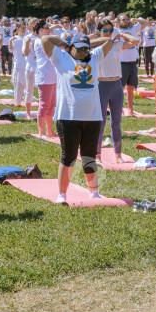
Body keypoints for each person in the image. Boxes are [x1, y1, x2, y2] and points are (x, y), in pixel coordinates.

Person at [40, 32, 114, 204]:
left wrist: (88, 42)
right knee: (69, 157)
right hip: (68, 117)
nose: (83, 52)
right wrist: (66, 44)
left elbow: (109, 40)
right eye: (79, 49)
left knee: (90, 155)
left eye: (85, 49)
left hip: (92, 116)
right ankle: (62, 195)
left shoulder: (94, 57)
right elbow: (45, 39)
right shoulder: (61, 58)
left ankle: (94, 193)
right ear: (71, 48)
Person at [94, 18, 139, 164]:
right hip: (101, 85)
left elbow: (135, 41)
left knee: (116, 123)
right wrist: (97, 37)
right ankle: (97, 155)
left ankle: (118, 154)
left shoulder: (117, 44)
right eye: (104, 30)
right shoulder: (95, 47)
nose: (108, 33)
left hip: (116, 85)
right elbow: (81, 41)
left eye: (110, 30)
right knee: (100, 124)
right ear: (99, 31)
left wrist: (121, 34)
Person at [31, 20, 57, 137]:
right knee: (44, 104)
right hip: (44, 76)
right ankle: (41, 132)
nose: (49, 30)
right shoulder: (38, 41)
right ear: (40, 30)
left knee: (51, 105)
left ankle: (50, 130)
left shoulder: (47, 39)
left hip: (53, 75)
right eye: (47, 28)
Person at [8, 24, 27, 107]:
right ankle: (17, 102)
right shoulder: (15, 39)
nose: (24, 29)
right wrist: (10, 41)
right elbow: (11, 50)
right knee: (18, 85)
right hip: (19, 65)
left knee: (27, 85)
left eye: (25, 28)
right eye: (22, 28)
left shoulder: (27, 38)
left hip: (27, 65)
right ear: (18, 28)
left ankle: (27, 102)